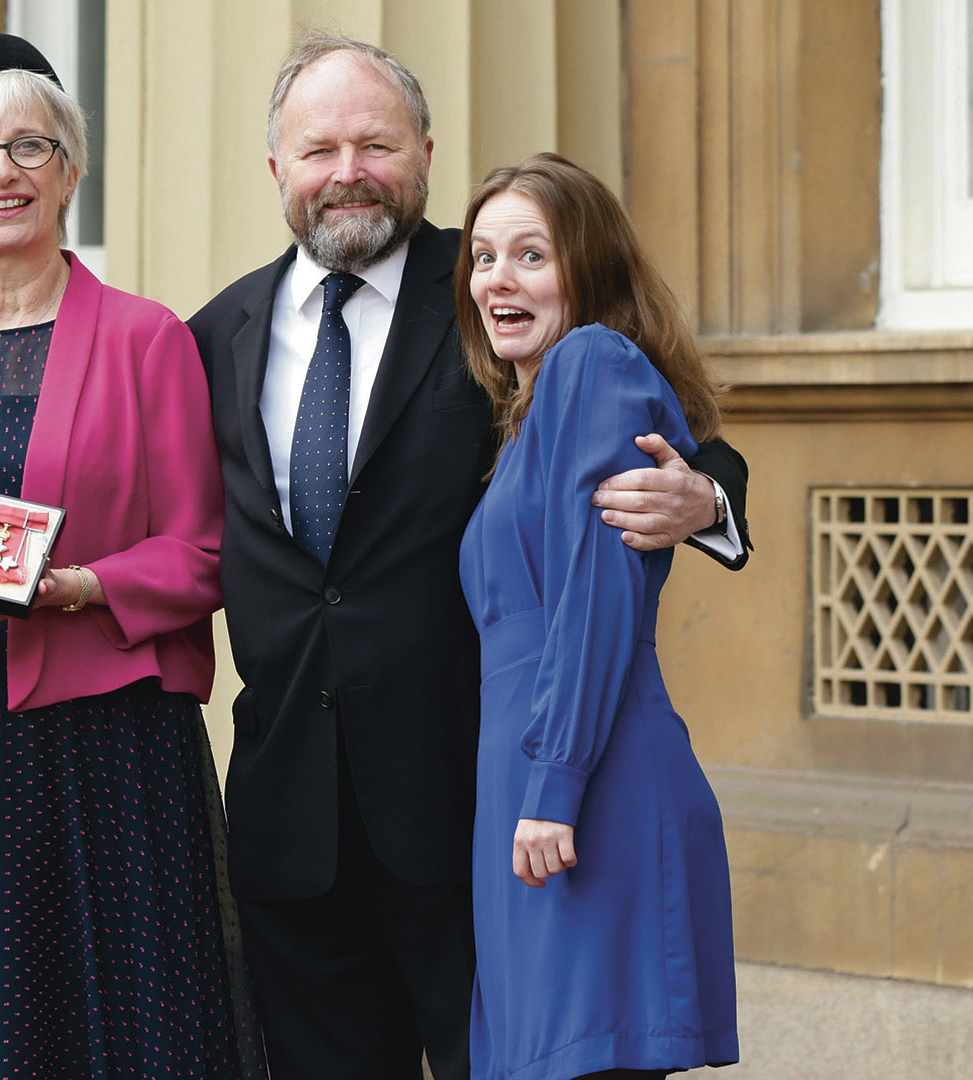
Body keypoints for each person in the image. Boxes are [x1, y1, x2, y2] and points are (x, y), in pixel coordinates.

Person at [185, 33, 753, 1080]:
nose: (347, 171)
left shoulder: (499, 289)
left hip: (471, 805)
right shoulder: (214, 334)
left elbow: (659, 403)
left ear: (426, 154)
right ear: (276, 170)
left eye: (376, 143)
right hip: (292, 820)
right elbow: (164, 522)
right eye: (318, 150)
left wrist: (709, 493)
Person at [0, 33, 255, 1080]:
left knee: (109, 1027)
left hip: (99, 745)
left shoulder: (147, 339)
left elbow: (203, 551)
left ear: (71, 170)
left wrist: (75, 588)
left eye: (30, 144)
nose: (1, 173)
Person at [457, 152, 739, 1080]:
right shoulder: (525, 412)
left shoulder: (592, 362)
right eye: (483, 255)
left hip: (584, 784)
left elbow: (597, 598)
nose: (498, 277)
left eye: (531, 255)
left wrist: (553, 788)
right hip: (532, 788)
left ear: (588, 271)